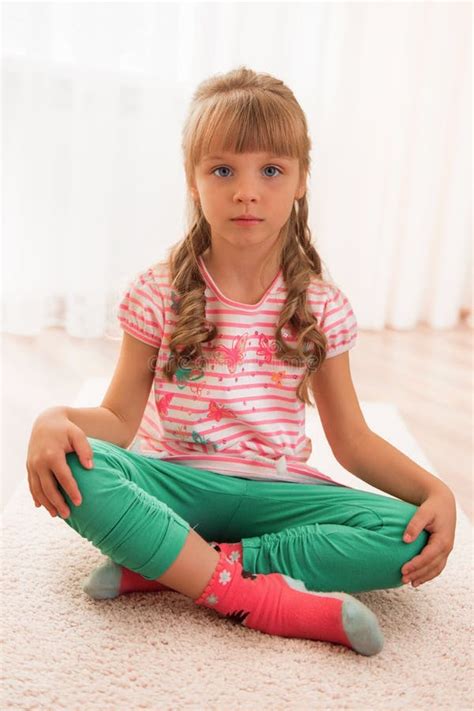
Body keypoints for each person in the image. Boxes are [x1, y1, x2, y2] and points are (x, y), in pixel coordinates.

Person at [26, 66, 456, 657]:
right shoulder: (157, 292)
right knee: (80, 468)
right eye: (223, 170)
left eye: (271, 171)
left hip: (275, 494)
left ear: (302, 179)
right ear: (193, 180)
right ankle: (259, 599)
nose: (246, 191)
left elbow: (352, 439)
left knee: (409, 537)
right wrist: (57, 417)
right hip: (172, 482)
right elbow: (118, 420)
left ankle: (170, 565)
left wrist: (437, 491)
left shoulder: (323, 306)